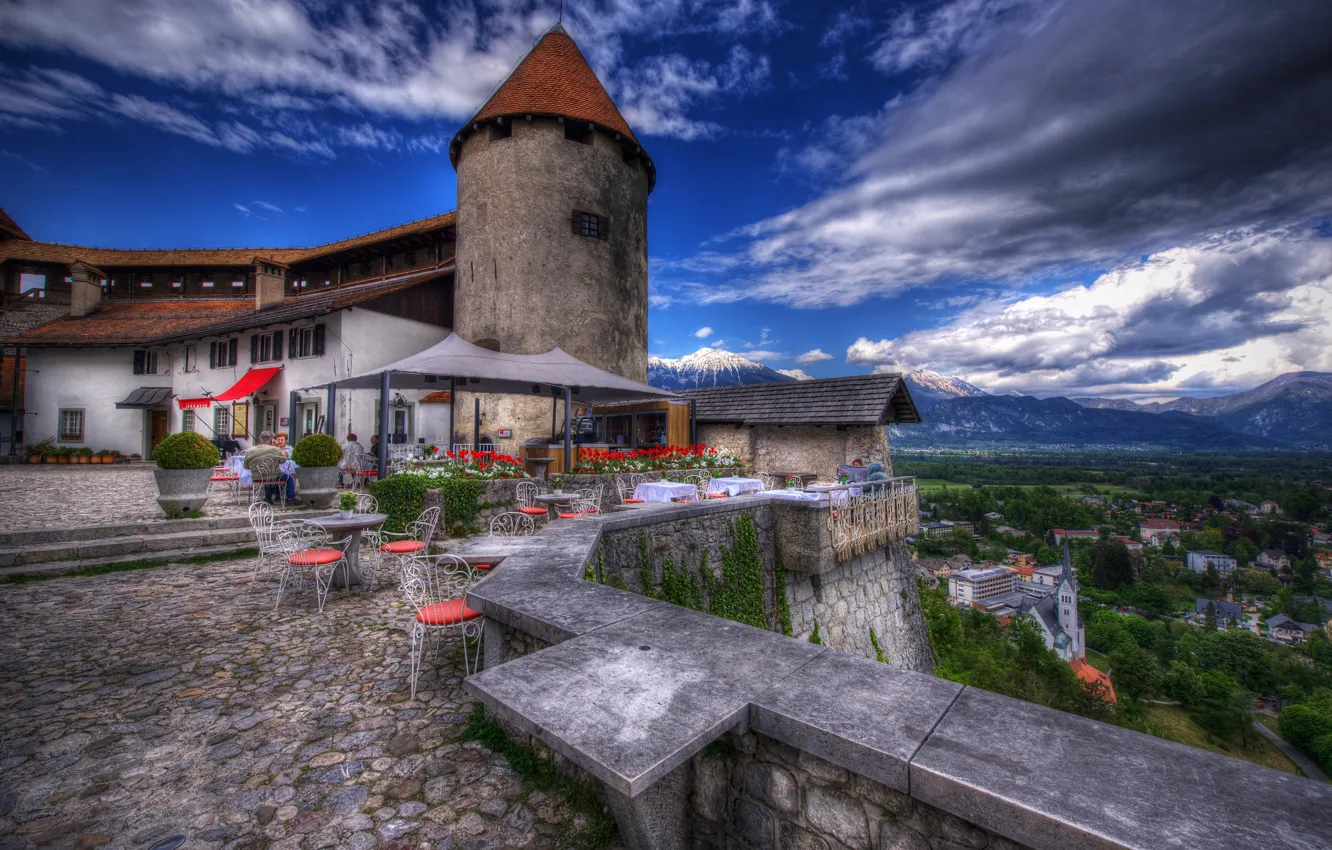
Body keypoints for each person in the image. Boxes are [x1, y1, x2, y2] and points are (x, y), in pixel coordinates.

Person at [245, 430, 301, 506]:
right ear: (272, 440)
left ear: (260, 438)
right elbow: (282, 461)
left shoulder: (250, 450)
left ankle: (268, 498)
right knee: (288, 478)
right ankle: (291, 497)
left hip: (256, 477)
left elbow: (246, 466)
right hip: (273, 476)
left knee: (268, 475)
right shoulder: (275, 449)